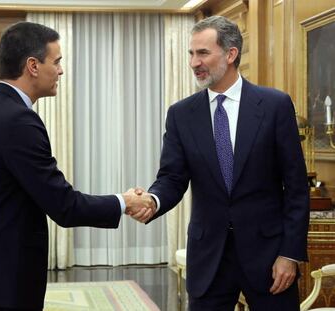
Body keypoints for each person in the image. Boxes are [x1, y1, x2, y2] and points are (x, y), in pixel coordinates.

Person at [0, 21, 155, 311]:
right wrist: (125, 201)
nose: (61, 71)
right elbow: (63, 205)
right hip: (2, 283)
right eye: (56, 62)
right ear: (32, 65)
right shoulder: (18, 121)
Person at [131, 16, 309, 310]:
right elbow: (172, 178)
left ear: (231, 53)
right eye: (191, 53)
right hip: (208, 258)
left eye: (202, 53)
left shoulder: (275, 105)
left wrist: (289, 254)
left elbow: (296, 187)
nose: (193, 62)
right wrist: (152, 199)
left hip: (269, 258)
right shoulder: (181, 114)